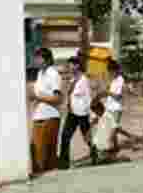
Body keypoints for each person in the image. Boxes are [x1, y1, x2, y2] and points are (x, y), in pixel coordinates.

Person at [28, 47, 62, 175]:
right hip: (38, 116)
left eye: (39, 58)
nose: (36, 60)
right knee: (36, 153)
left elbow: (57, 98)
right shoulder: (40, 74)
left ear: (47, 59)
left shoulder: (53, 74)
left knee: (45, 155)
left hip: (49, 117)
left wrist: (38, 97)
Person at [58, 55, 96, 169]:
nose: (69, 67)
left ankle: (96, 155)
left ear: (77, 66)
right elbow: (70, 95)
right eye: (68, 65)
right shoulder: (72, 79)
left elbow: (88, 97)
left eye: (71, 65)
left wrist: (92, 114)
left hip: (82, 114)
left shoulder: (84, 80)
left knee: (87, 137)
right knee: (65, 136)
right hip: (72, 113)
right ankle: (64, 163)